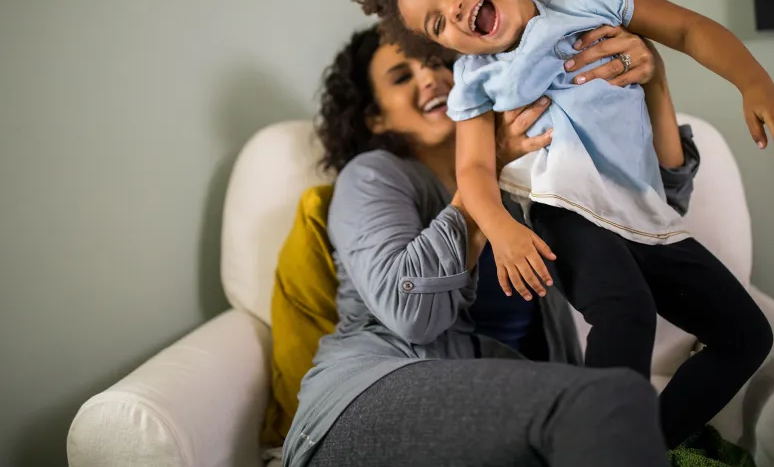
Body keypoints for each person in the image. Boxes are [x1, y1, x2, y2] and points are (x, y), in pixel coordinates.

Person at [354, 0, 774, 447]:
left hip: (639, 209)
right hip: (563, 211)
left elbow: (688, 29)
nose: (454, 11)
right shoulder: (476, 78)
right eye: (437, 23)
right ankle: (601, 450)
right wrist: (503, 230)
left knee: (746, 335)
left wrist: (755, 84)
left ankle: (642, 447)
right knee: (625, 311)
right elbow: (474, 170)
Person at [284, 23, 699, 467]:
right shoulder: (372, 175)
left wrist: (654, 83)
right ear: (376, 118)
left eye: (437, 63)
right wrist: (485, 169)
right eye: (402, 77)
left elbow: (654, 212)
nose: (430, 78)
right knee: (613, 400)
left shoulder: (529, 174)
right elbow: (412, 315)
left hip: (499, 410)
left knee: (613, 411)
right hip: (365, 397)